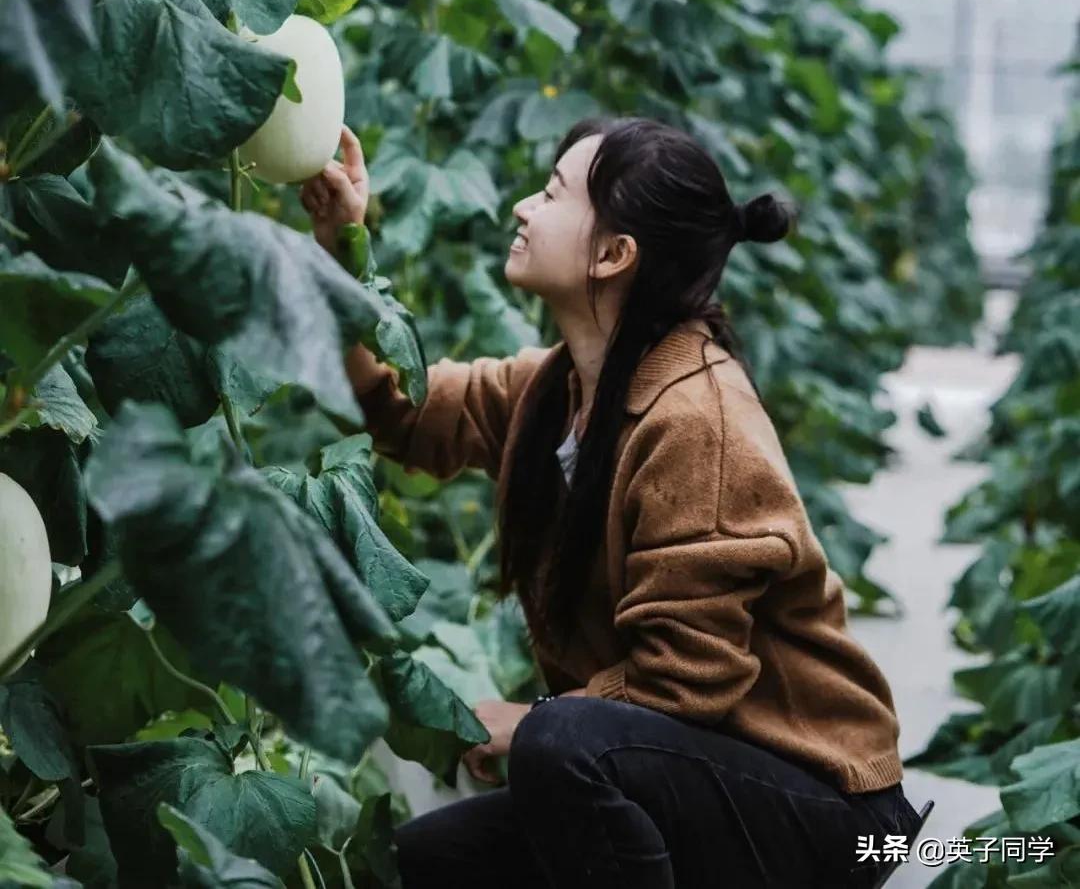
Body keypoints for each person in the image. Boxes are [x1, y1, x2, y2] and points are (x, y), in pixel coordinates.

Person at [300, 117, 922, 889]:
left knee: (561, 741)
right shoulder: (555, 389)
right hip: (685, 776)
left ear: (613, 254)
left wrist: (525, 721)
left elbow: (689, 678)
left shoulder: (698, 419)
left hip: (830, 816)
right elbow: (402, 412)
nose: (524, 207)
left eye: (553, 194)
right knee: (422, 861)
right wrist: (342, 247)